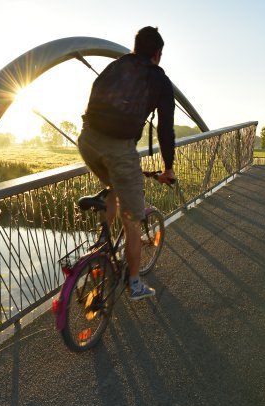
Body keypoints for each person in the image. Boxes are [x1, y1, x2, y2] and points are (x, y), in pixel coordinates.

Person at [78, 26, 176, 301]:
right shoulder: (159, 79)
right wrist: (168, 167)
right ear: (157, 53)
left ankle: (101, 246)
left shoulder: (116, 65)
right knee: (133, 219)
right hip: (119, 149)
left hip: (87, 140)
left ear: (135, 48)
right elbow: (165, 129)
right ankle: (134, 283)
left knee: (114, 185)